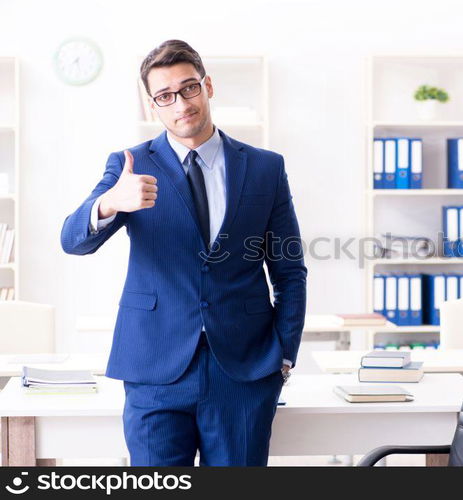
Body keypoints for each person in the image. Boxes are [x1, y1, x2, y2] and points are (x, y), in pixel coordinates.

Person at [60, 39, 307, 466]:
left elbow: (289, 271)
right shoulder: (130, 166)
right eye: (165, 96)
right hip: (154, 369)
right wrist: (110, 203)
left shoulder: (266, 167)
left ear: (208, 86)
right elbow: (73, 241)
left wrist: (283, 357)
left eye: (189, 88)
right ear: (151, 105)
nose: (180, 103)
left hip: (243, 373)